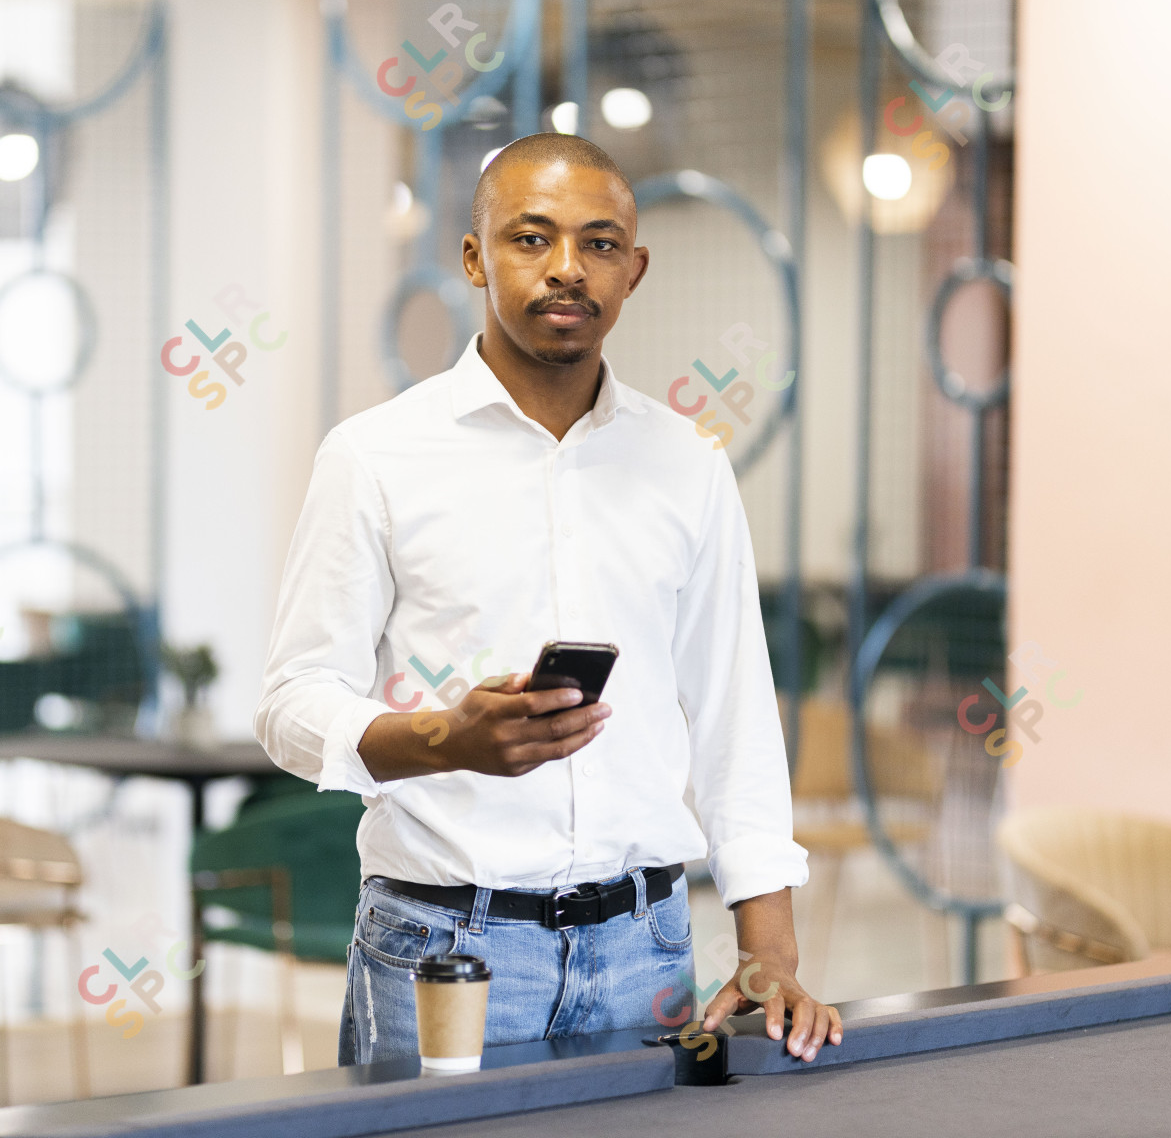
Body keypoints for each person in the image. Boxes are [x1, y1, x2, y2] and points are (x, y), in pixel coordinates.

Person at [255, 132, 840, 1065]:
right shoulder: (374, 456)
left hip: (646, 948)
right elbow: (290, 705)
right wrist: (449, 738)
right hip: (443, 951)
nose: (568, 269)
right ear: (474, 257)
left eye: (599, 244)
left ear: (634, 270)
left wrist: (769, 952)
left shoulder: (687, 464)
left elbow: (734, 716)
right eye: (532, 238)